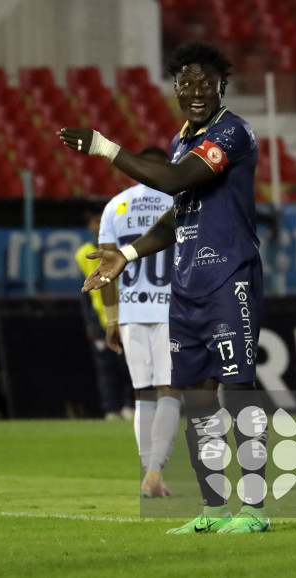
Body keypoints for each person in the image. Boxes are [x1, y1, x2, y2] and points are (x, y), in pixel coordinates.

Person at [60, 42, 269, 534]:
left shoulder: (232, 132)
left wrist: (106, 148)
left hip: (229, 276)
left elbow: (176, 182)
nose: (196, 91)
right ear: (175, 89)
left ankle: (255, 510)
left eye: (205, 83)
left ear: (223, 86)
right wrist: (127, 254)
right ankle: (214, 508)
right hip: (188, 283)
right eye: (186, 83)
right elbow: (181, 213)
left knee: (237, 390)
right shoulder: (183, 140)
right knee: (196, 398)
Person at [97, 146, 180, 499]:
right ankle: (155, 471)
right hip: (171, 311)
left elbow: (106, 270)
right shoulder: (179, 204)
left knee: (143, 393)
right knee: (169, 392)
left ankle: (150, 474)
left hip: (130, 313)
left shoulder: (115, 206)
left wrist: (111, 319)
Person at [75, 205, 134, 421]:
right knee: (105, 367)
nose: (99, 226)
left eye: (102, 221)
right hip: (101, 320)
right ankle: (110, 409)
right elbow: (84, 293)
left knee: (128, 364)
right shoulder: (83, 254)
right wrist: (90, 323)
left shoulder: (125, 250)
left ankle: (129, 405)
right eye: (95, 222)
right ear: (90, 225)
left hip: (126, 317)